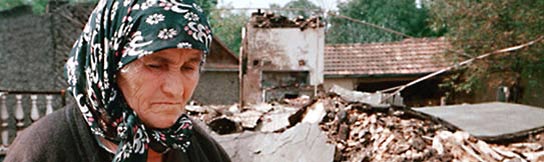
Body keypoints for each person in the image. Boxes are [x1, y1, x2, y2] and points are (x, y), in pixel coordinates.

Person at [5, 0, 230, 161]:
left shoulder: (197, 148)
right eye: (154, 65)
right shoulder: (44, 150)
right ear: (108, 66)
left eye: (189, 67)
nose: (174, 88)